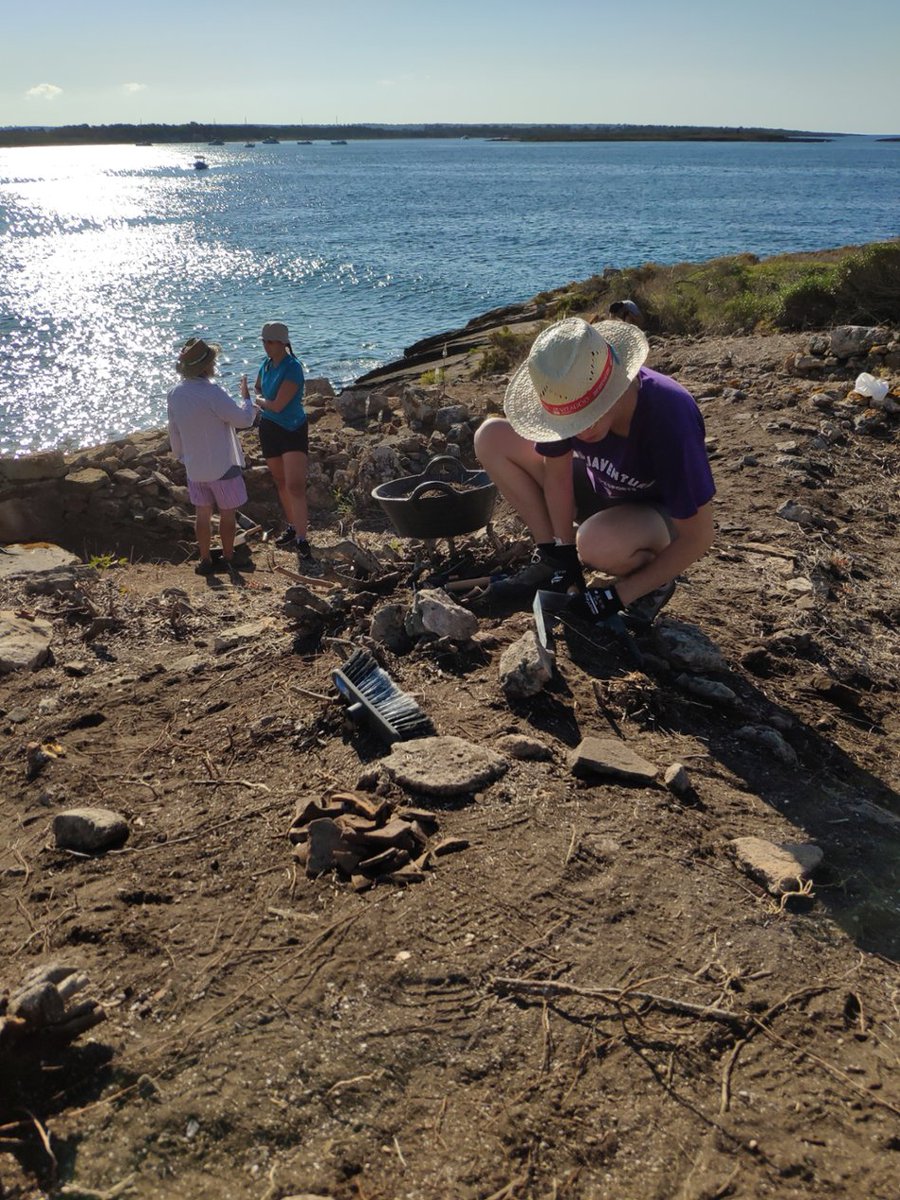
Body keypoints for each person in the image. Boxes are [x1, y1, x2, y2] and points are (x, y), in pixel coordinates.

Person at [473, 317, 715, 624]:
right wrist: (562, 552)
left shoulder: (668, 418)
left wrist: (617, 596)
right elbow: (556, 473)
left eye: (591, 415)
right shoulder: (565, 390)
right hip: (600, 484)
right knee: (491, 436)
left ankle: (654, 582)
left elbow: (700, 536)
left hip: (656, 513)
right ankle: (549, 558)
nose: (581, 430)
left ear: (616, 385)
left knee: (595, 543)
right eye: (572, 421)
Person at [167, 337, 256, 577]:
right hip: (223, 464)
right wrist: (247, 399)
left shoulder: (174, 394)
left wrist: (182, 457)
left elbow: (174, 432)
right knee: (227, 514)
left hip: (194, 467)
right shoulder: (212, 392)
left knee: (202, 514)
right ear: (207, 367)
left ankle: (205, 560)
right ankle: (228, 557)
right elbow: (243, 420)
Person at [247, 321, 312, 561]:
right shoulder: (266, 365)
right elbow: (257, 388)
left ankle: (303, 539)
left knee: (295, 484)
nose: (266, 346)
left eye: (271, 341)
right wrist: (259, 397)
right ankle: (293, 526)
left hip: (292, 428)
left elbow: (277, 404)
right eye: (264, 341)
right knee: (280, 481)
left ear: (283, 343)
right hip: (270, 428)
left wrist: (261, 402)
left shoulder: (292, 367)